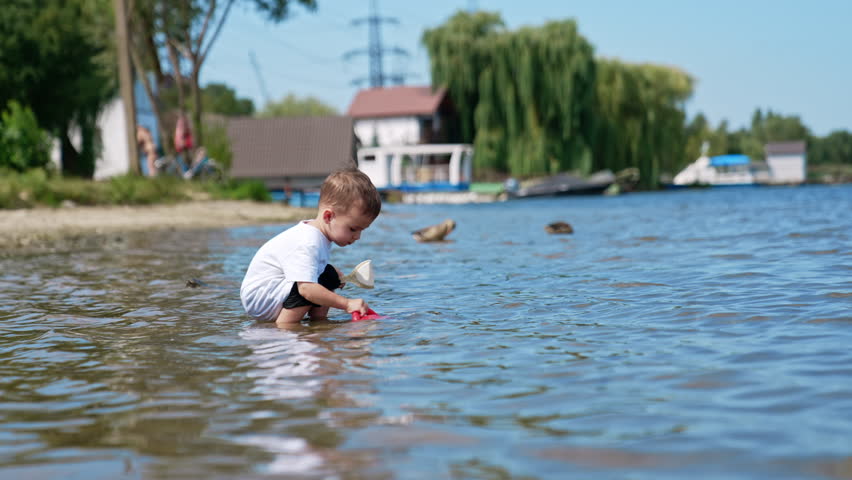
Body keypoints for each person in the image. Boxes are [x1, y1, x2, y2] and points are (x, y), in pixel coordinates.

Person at [240, 169, 382, 325]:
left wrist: (332, 273)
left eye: (362, 230)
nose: (357, 236)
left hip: (272, 292)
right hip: (261, 297)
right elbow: (306, 289)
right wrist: (347, 304)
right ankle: (285, 328)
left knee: (328, 275)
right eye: (353, 229)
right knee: (310, 285)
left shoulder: (319, 235)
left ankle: (319, 323)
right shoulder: (308, 241)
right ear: (328, 216)